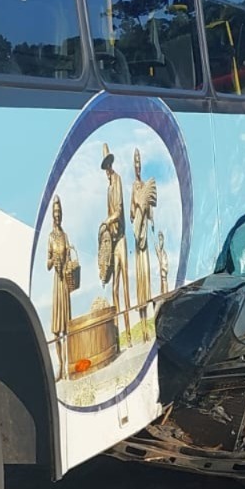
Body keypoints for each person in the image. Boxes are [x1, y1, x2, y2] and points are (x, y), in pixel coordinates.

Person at [100, 142, 131, 341]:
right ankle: (119, 331)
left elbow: (118, 210)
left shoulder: (117, 180)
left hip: (121, 240)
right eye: (105, 167)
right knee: (114, 287)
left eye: (108, 165)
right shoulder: (108, 187)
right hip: (112, 238)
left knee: (125, 284)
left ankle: (129, 332)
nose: (107, 170)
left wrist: (107, 220)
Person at [129, 148, 157, 336]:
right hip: (138, 239)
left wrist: (148, 212)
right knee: (140, 281)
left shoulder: (144, 184)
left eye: (139, 162)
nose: (138, 165)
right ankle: (143, 322)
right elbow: (132, 212)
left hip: (145, 238)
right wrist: (138, 204)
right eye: (135, 162)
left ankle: (149, 324)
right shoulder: (134, 186)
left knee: (147, 280)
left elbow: (150, 211)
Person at [45, 196, 72, 381]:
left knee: (67, 327)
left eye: (59, 212)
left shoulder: (64, 236)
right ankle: (60, 366)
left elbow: (69, 257)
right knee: (56, 329)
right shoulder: (50, 237)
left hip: (64, 284)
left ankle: (69, 365)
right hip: (57, 281)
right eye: (55, 212)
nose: (57, 215)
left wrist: (66, 263)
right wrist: (53, 260)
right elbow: (47, 264)